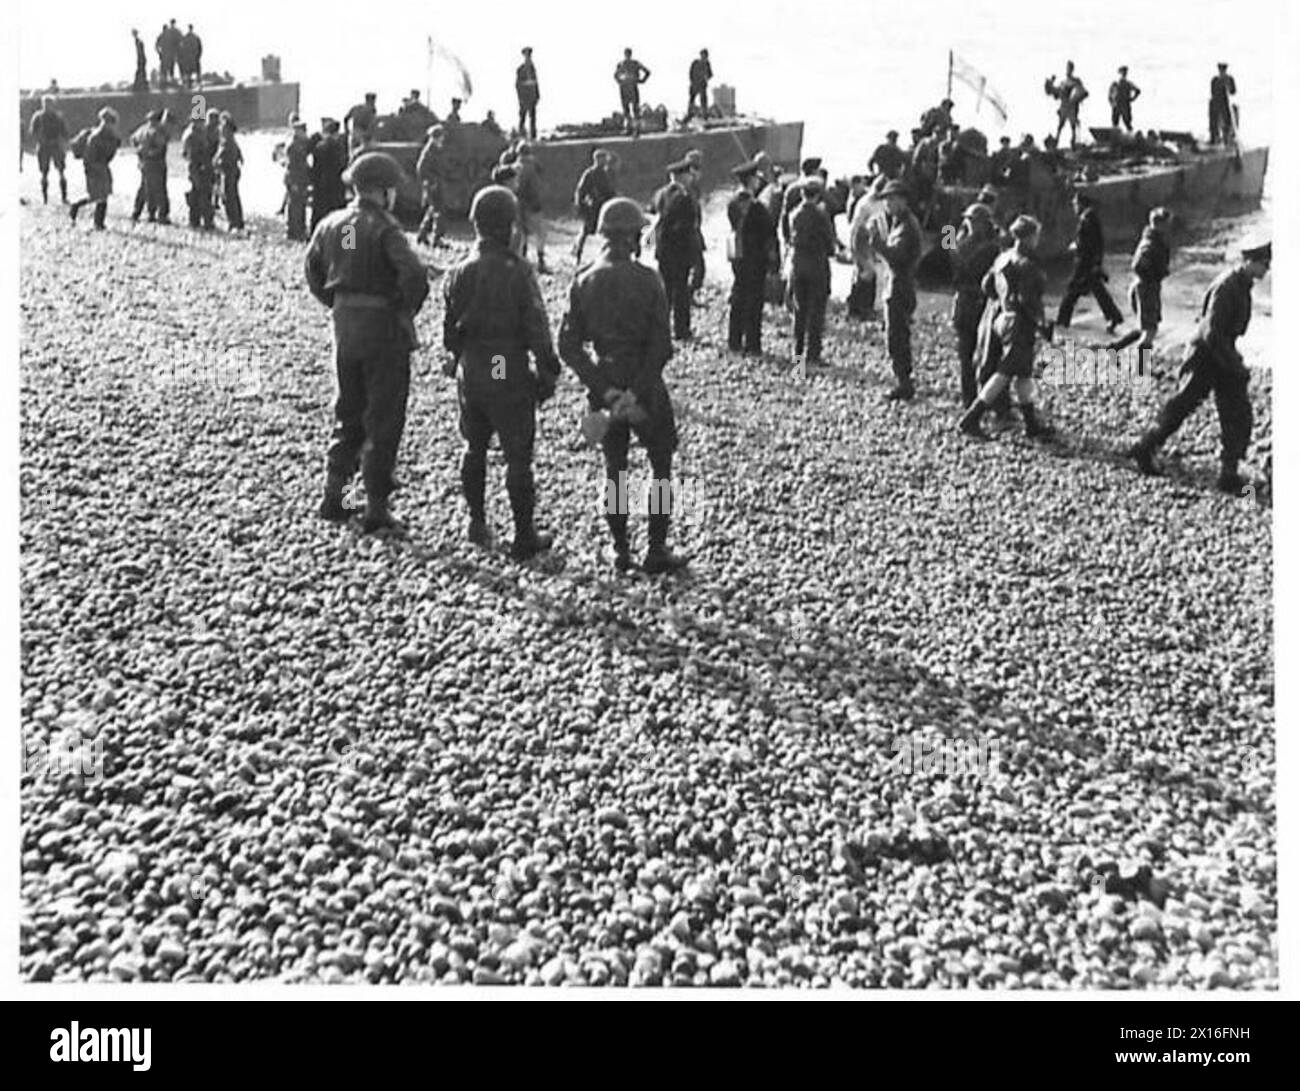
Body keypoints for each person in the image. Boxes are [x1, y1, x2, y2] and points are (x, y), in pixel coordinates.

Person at [558, 197, 688, 575]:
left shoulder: (583, 279)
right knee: (660, 465)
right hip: (645, 386)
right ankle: (656, 549)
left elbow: (568, 345)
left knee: (615, 469)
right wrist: (636, 391)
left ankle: (619, 550)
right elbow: (662, 345)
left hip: (604, 383)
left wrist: (605, 389)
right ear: (633, 236)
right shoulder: (649, 280)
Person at [305, 152, 430, 534]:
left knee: (349, 412)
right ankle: (377, 507)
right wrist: (401, 309)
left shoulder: (334, 224)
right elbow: (414, 276)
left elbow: (314, 272)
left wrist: (339, 303)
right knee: (383, 418)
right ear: (384, 190)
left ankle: (337, 499)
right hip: (382, 331)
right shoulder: (385, 228)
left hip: (345, 327)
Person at [442, 185, 560, 559]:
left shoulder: (457, 271)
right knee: (517, 455)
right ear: (509, 226)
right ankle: (523, 534)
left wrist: (462, 360)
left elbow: (449, 333)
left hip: (472, 367)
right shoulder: (517, 271)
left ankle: (476, 521)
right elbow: (536, 326)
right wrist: (547, 371)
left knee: (473, 446)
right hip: (502, 364)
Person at [1127, 241, 1270, 491]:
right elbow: (1210, 332)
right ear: (1248, 261)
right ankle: (1144, 447)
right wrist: (1234, 364)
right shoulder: (1227, 286)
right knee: (1181, 406)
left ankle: (1229, 473)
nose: (1267, 269)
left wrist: (1232, 361)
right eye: (1263, 263)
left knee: (1238, 413)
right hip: (1205, 355)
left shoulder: (1241, 284)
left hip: (1220, 351)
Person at [959, 215, 1053, 439]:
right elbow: (1029, 300)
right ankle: (971, 418)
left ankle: (1031, 424)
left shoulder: (999, 255)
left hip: (999, 315)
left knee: (1022, 373)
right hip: (1019, 322)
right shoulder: (1027, 265)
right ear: (1030, 237)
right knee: (1004, 372)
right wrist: (1042, 323)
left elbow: (986, 285)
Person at [868, 179, 922, 401]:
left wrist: (877, 243)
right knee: (897, 334)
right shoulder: (903, 223)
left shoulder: (906, 226)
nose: (887, 205)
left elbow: (898, 257)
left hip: (899, 286)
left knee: (897, 336)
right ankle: (903, 379)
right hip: (899, 284)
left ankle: (904, 382)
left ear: (901, 200)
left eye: (890, 200)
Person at [950, 203, 1002, 406]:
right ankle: (983, 399)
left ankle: (973, 398)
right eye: (968, 221)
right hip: (975, 303)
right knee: (977, 356)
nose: (969, 224)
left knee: (976, 356)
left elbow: (951, 254)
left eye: (972, 221)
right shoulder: (990, 246)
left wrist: (950, 228)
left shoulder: (968, 245)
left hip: (973, 303)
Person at [726, 158, 776, 355]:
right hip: (755, 258)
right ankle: (752, 344)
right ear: (751, 180)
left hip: (737, 255)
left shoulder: (732, 203)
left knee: (738, 296)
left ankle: (734, 340)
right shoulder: (757, 207)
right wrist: (773, 261)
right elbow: (768, 233)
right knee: (754, 300)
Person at [1056, 192, 1123, 333]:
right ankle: (1114, 317)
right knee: (1098, 291)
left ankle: (1061, 323)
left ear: (1080, 203)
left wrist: (1076, 246)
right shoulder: (1092, 217)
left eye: (1075, 204)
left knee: (1071, 293)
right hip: (1090, 263)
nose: (1073, 207)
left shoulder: (1086, 219)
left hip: (1084, 263)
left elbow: (1087, 243)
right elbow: (1097, 242)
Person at [1110, 206, 1173, 354]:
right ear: (1160, 224)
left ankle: (1114, 348)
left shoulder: (1152, 239)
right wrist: (1156, 274)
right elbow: (1137, 265)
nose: (1169, 226)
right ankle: (1142, 370)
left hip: (1146, 287)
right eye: (1167, 223)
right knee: (1150, 331)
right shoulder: (1151, 244)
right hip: (1147, 288)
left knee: (1145, 327)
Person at [788, 176, 836, 367]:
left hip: (798, 266)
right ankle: (814, 356)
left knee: (799, 312)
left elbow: (788, 236)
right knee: (816, 312)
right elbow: (829, 242)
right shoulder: (821, 215)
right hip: (817, 266)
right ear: (817, 196)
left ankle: (798, 361)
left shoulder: (794, 214)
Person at [649, 159, 699, 340]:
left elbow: (653, 216)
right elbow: (687, 226)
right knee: (681, 291)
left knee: (665, 290)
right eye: (688, 175)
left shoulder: (660, 194)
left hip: (663, 249)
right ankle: (681, 330)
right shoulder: (684, 197)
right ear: (682, 176)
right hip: (680, 250)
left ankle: (660, 328)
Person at [68, 107, 120, 230]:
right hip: (94, 169)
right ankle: (78, 208)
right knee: (97, 196)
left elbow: (109, 155)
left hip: (102, 167)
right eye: (110, 123)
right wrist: (95, 169)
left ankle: (98, 222)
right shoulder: (95, 137)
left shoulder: (109, 136)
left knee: (103, 194)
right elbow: (89, 157)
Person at [573, 149, 616, 264]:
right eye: (601, 158)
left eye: (604, 158)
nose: (604, 161)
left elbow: (610, 190)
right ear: (596, 159)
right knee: (586, 230)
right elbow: (581, 190)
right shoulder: (590, 174)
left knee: (607, 231)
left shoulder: (606, 173)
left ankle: (605, 256)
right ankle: (578, 251)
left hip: (604, 206)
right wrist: (580, 204)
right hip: (593, 207)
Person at [130, 108, 171, 224]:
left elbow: (132, 140)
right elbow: (162, 143)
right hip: (156, 162)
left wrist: (140, 151)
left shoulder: (141, 129)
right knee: (159, 189)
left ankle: (137, 211)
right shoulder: (156, 131)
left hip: (144, 162)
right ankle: (161, 215)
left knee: (144, 188)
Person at [515, 142, 549, 273]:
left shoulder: (515, 167)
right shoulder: (531, 167)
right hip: (531, 204)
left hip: (518, 205)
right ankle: (540, 262)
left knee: (521, 235)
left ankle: (521, 261)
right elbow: (534, 188)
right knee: (541, 233)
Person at [29, 95, 69, 204]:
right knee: (44, 173)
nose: (47, 106)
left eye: (49, 104)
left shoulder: (58, 117)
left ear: (53, 105)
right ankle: (45, 198)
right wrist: (40, 141)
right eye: (45, 104)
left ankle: (64, 197)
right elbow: (33, 132)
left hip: (56, 146)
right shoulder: (38, 117)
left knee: (61, 172)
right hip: (44, 147)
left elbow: (65, 132)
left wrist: (62, 143)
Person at [309, 119, 348, 232]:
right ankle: (348, 243)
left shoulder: (319, 147)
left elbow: (315, 168)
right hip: (337, 186)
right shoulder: (340, 147)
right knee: (343, 216)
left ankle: (315, 237)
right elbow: (342, 165)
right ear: (336, 132)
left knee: (318, 214)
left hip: (321, 185)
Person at [415, 124, 447, 248]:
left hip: (436, 183)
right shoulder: (429, 151)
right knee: (439, 211)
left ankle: (422, 235)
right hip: (433, 185)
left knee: (432, 210)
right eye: (440, 136)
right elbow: (421, 169)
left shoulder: (436, 150)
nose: (442, 138)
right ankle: (437, 238)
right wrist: (431, 181)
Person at [181, 113, 215, 229]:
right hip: (198, 167)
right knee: (203, 194)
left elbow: (184, 154)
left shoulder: (195, 133)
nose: (202, 123)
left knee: (197, 193)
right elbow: (193, 154)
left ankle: (195, 221)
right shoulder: (193, 135)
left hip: (196, 167)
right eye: (200, 121)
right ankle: (206, 221)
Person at [1047, 60, 1088, 148]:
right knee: (1060, 125)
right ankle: (1056, 142)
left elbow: (1082, 92)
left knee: (1072, 126)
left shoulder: (1075, 81)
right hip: (1064, 106)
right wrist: (1050, 83)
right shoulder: (1064, 82)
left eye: (1069, 68)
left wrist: (1075, 99)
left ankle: (1073, 142)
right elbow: (1056, 92)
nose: (1068, 70)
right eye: (1067, 68)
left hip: (1071, 106)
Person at [283, 115, 311, 241]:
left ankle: (298, 229)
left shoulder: (299, 143)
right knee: (295, 205)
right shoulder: (294, 146)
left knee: (299, 204)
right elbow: (294, 165)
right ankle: (294, 231)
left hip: (299, 178)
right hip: (295, 178)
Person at [215, 116, 244, 231]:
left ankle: (233, 222)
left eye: (223, 127)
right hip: (232, 172)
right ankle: (238, 221)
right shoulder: (232, 142)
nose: (220, 129)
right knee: (233, 196)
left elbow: (221, 159)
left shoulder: (227, 143)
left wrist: (216, 163)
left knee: (228, 198)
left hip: (228, 172)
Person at [614, 49, 651, 135]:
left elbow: (647, 72)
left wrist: (641, 80)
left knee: (633, 109)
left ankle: (634, 129)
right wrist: (641, 80)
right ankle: (631, 128)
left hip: (628, 87)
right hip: (628, 87)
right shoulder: (624, 64)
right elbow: (615, 76)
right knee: (628, 109)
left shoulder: (627, 64)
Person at [1209, 63, 1237, 145]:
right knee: (1214, 123)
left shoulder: (1229, 79)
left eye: (1223, 70)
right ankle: (1214, 139)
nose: (1222, 72)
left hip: (1225, 104)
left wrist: (1228, 88)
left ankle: (1227, 139)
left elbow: (1233, 91)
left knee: (1227, 123)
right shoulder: (1215, 80)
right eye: (1221, 70)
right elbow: (1213, 92)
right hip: (1216, 103)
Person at [516, 47, 539, 141]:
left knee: (533, 117)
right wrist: (520, 97)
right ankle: (521, 134)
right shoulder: (520, 69)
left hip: (532, 97)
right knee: (522, 116)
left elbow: (536, 83)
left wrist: (537, 95)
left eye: (529, 56)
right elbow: (518, 84)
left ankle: (533, 136)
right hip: (524, 97)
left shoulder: (533, 68)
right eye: (526, 56)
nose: (528, 58)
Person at [1108, 66, 1140, 131]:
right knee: (1115, 123)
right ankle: (1115, 136)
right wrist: (1112, 102)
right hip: (1116, 105)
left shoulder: (1128, 83)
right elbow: (1110, 94)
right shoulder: (1115, 83)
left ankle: (1130, 136)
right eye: (1122, 72)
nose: (1123, 74)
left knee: (1127, 122)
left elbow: (1138, 90)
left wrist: (1132, 99)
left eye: (1125, 72)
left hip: (1125, 104)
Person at [688, 49, 712, 119]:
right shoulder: (695, 62)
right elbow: (691, 72)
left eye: (705, 56)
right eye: (702, 55)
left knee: (703, 100)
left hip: (702, 85)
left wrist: (706, 77)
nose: (703, 57)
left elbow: (710, 74)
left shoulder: (707, 64)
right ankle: (689, 114)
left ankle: (705, 115)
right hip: (694, 84)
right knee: (692, 99)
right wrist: (692, 81)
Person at [178, 24, 202, 89]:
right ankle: (199, 83)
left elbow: (181, 48)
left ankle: (188, 84)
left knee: (188, 72)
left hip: (187, 58)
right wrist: (198, 56)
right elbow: (200, 48)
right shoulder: (196, 37)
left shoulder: (185, 38)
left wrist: (182, 57)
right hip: (194, 57)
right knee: (197, 71)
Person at [155, 23, 176, 88]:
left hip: (164, 55)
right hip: (169, 55)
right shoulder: (170, 36)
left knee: (165, 70)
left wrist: (159, 53)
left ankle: (164, 83)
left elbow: (156, 46)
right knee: (170, 69)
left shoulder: (161, 36)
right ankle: (169, 82)